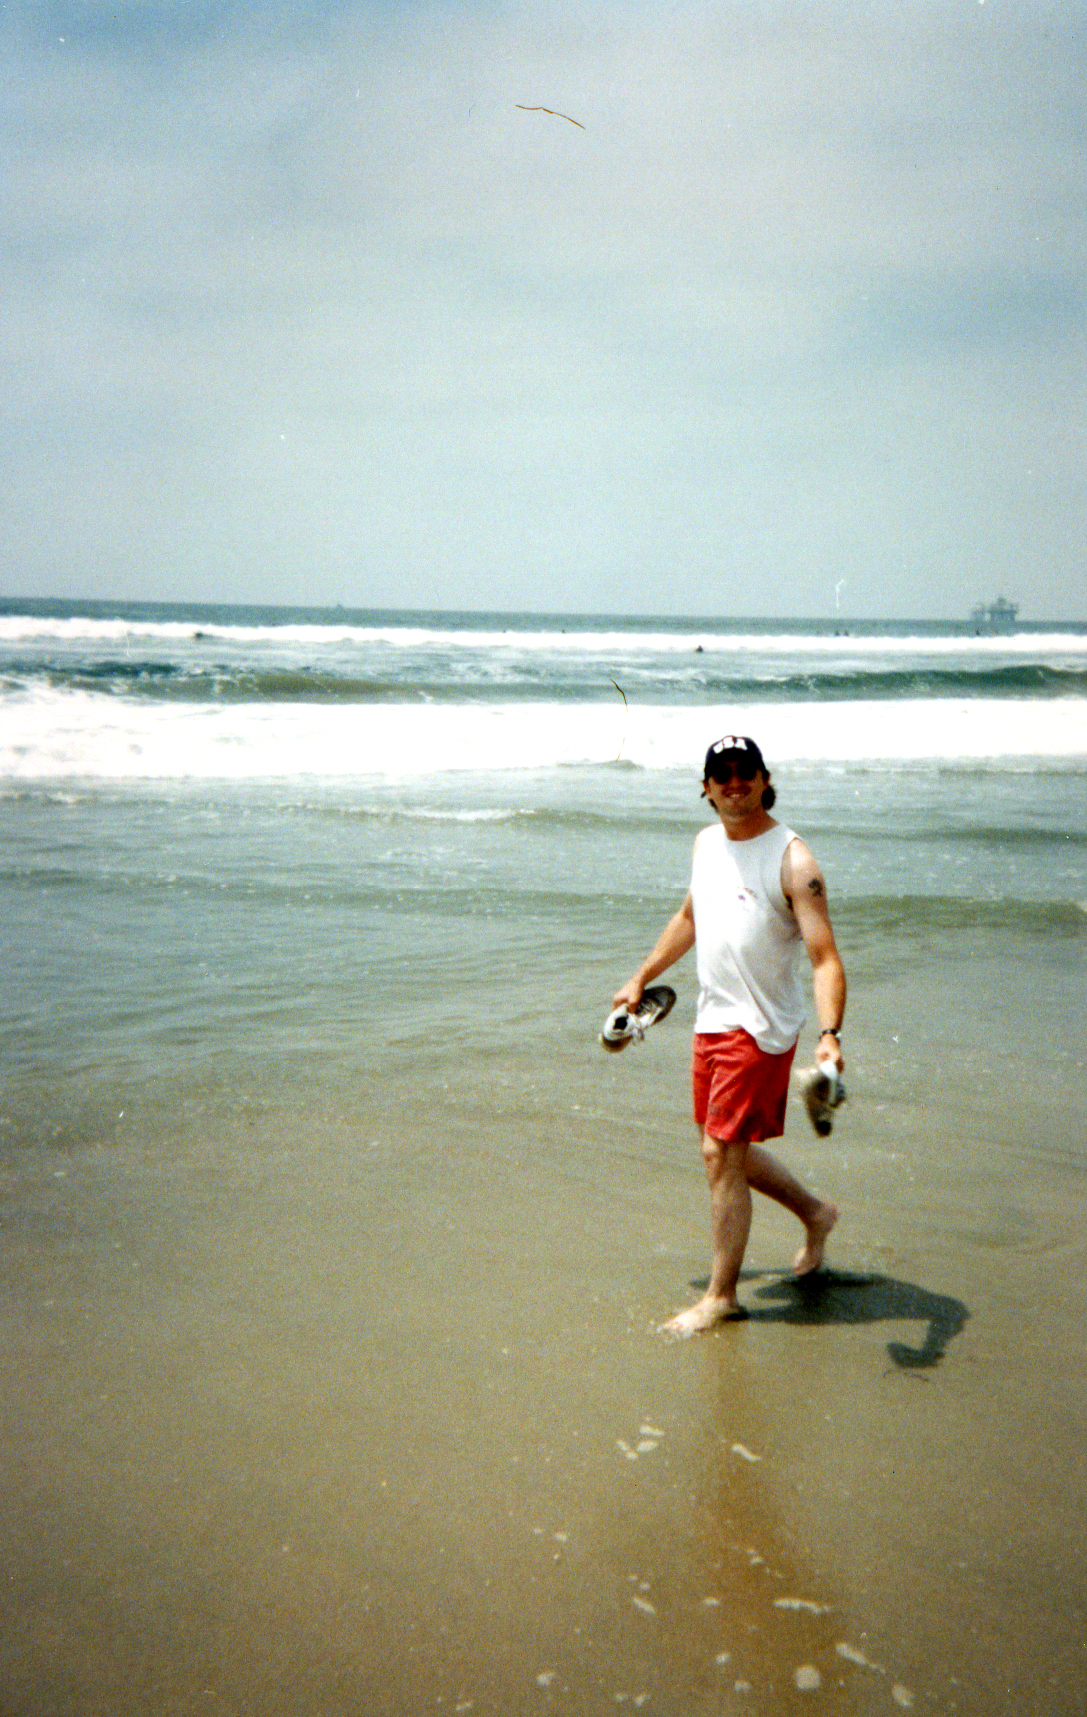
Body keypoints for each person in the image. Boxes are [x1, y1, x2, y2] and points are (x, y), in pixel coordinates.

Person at [613, 735, 846, 1336]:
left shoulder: (793, 860)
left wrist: (830, 1034)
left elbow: (824, 958)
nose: (735, 782)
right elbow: (690, 917)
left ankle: (722, 1296)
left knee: (721, 1153)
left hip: (761, 1026)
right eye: (723, 774)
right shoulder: (706, 844)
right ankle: (815, 1214)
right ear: (707, 788)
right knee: (721, 1148)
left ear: (765, 779)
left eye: (746, 771)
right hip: (712, 1017)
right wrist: (641, 976)